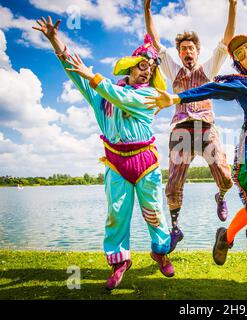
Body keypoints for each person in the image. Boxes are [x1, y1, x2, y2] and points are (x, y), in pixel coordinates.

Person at [146, 7, 247, 265]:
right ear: (240, 63)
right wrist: (177, 97)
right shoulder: (243, 83)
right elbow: (213, 88)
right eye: (241, 55)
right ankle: (226, 236)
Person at [33, 16, 175, 290]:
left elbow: (120, 97)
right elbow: (76, 71)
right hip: (115, 161)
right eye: (143, 66)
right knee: (116, 213)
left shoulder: (148, 97)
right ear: (131, 67)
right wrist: (54, 39)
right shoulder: (102, 95)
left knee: (155, 210)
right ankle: (120, 261)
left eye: (152, 68)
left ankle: (160, 251)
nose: (147, 72)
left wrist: (93, 76)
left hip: (145, 161)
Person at [144, 0, 237, 252]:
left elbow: (227, 40)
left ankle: (221, 195)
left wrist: (233, 6)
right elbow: (155, 41)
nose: (187, 52)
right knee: (174, 183)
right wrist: (147, 11)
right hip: (181, 130)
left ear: (197, 50)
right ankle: (175, 228)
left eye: (191, 48)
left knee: (226, 176)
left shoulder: (209, 68)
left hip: (206, 128)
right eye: (183, 48)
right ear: (179, 52)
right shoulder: (172, 70)